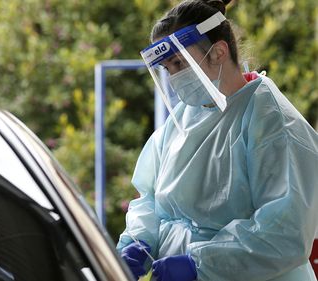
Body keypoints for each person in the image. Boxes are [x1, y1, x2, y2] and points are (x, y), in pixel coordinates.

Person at [116, 0, 318, 280]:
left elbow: (284, 233)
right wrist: (139, 240)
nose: (174, 78)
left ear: (218, 52)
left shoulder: (271, 121)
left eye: (179, 63)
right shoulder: (184, 117)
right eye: (167, 69)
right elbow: (150, 198)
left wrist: (199, 265)